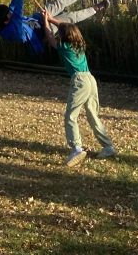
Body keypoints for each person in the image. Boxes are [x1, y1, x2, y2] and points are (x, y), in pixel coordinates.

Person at [41, 11, 117, 166]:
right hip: (90, 79)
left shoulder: (64, 47)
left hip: (79, 81)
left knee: (70, 116)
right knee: (92, 115)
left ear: (64, 35)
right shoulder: (79, 44)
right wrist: (50, 18)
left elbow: (49, 37)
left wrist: (45, 21)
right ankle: (108, 147)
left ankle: (76, 148)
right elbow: (68, 28)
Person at [0, 0, 108, 56]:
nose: (11, 12)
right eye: (9, 14)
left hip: (39, 18)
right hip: (46, 30)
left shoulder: (6, 19)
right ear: (6, 21)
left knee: (59, 2)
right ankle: (97, 9)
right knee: (70, 17)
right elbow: (17, 13)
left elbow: (13, 7)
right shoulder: (12, 31)